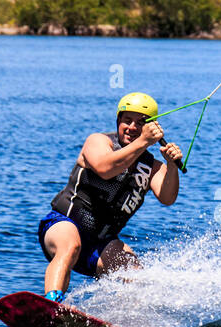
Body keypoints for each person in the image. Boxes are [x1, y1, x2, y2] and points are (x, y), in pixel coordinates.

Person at [39, 92, 183, 302]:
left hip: (101, 242)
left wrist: (171, 166)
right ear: (118, 122)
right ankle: (52, 302)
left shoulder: (151, 167)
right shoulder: (98, 141)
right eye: (127, 121)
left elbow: (167, 197)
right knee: (70, 246)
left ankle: (128, 324)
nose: (132, 127)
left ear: (152, 128)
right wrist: (142, 142)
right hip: (64, 223)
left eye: (140, 123)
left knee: (135, 271)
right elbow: (104, 168)